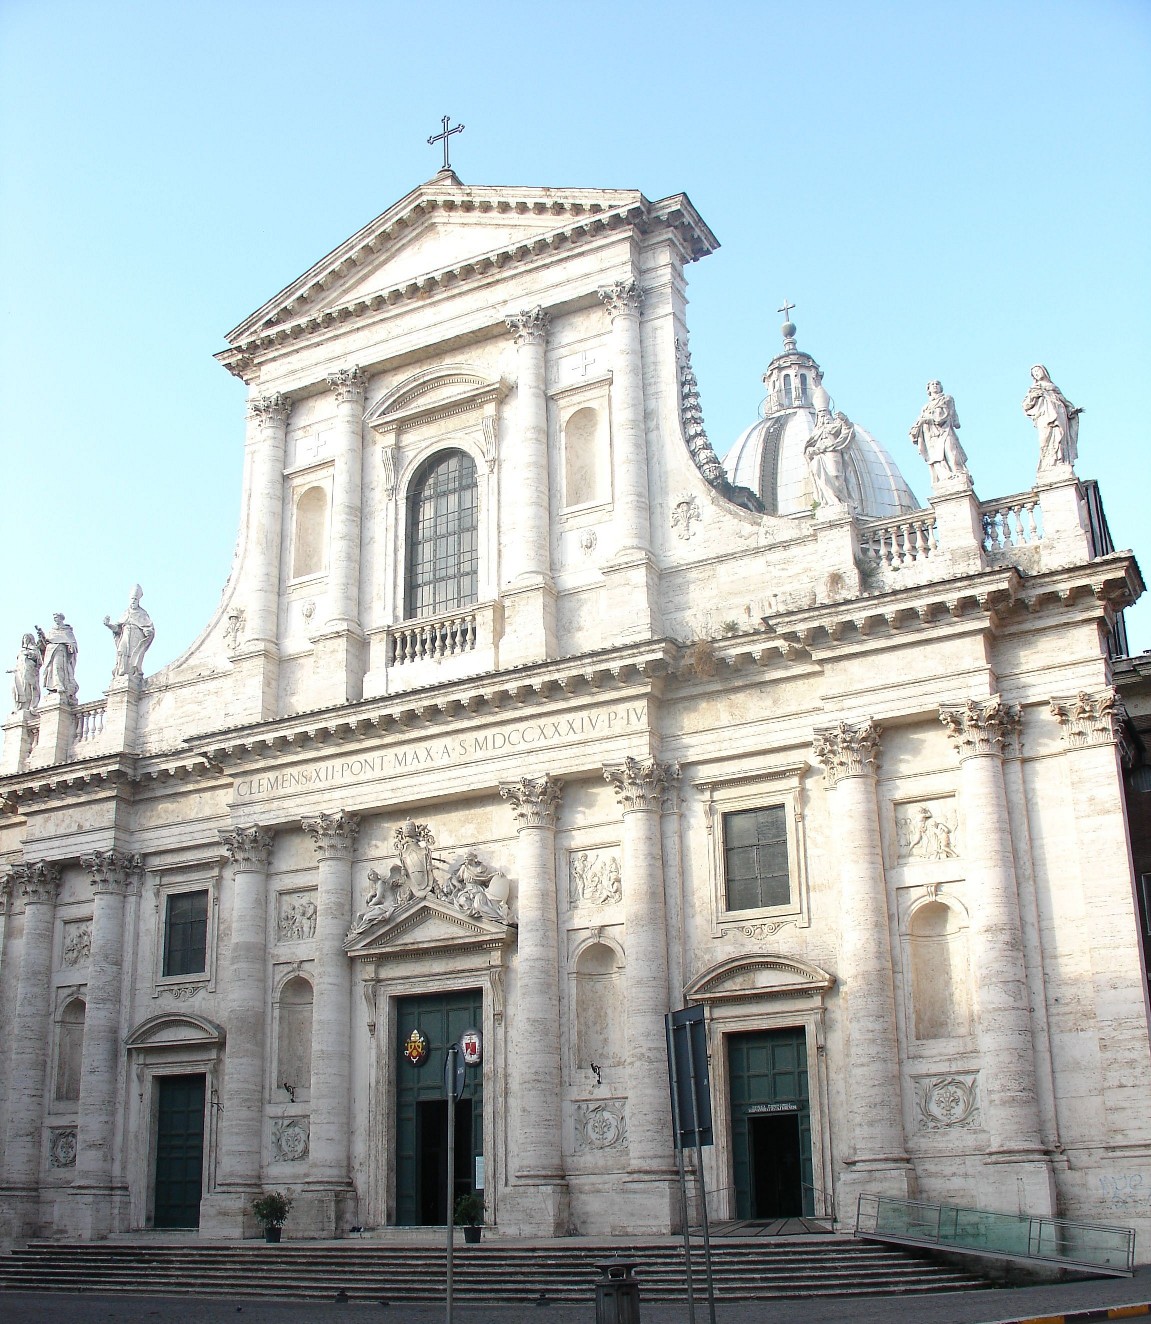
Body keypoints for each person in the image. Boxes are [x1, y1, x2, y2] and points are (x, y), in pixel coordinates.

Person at [1023, 364, 1081, 470]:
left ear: (1044, 371)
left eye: (1038, 370)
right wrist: (1033, 397)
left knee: (1060, 436)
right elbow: (1026, 405)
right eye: (1034, 373)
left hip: (1059, 414)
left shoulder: (1054, 388)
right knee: (1045, 439)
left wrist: (1072, 411)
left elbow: (1065, 403)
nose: (1036, 373)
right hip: (1044, 416)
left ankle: (1061, 461)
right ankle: (1048, 464)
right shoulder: (1034, 389)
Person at [909, 381, 967, 484]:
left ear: (941, 387)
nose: (935, 385)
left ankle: (957, 472)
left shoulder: (946, 399)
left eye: (937, 384)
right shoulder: (925, 407)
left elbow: (947, 414)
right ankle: (945, 476)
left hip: (945, 429)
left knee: (950, 449)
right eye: (932, 384)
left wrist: (927, 419)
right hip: (930, 435)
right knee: (936, 456)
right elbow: (919, 420)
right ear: (928, 390)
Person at [804, 409, 856, 508]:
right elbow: (808, 449)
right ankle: (831, 500)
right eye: (821, 416)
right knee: (820, 475)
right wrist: (811, 451)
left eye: (825, 415)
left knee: (835, 477)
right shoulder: (816, 432)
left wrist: (844, 420)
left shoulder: (836, 427)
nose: (824, 418)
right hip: (820, 456)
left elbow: (848, 431)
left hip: (833, 454)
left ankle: (843, 500)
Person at [104, 585, 155, 680]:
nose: (133, 601)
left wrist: (148, 632)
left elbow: (148, 627)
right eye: (132, 599)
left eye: (135, 599)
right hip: (125, 635)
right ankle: (121, 674)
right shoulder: (126, 613)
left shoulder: (142, 613)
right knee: (122, 652)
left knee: (134, 656)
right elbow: (118, 629)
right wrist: (108, 625)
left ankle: (133, 675)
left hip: (136, 636)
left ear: (138, 600)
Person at [40, 614, 79, 702]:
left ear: (61, 619)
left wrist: (70, 646)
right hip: (50, 652)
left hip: (60, 651)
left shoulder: (66, 630)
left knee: (59, 669)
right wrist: (41, 637)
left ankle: (59, 686)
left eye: (57, 618)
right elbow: (45, 643)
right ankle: (52, 688)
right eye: (54, 618)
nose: (55, 620)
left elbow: (72, 643)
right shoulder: (52, 630)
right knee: (51, 670)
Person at [10, 631, 45, 712]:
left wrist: (29, 654)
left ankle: (30, 705)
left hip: (30, 670)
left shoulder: (34, 648)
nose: (25, 640)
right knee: (18, 687)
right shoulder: (21, 650)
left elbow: (38, 659)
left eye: (27, 638)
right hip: (20, 671)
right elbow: (18, 663)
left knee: (29, 686)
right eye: (24, 638)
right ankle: (21, 706)